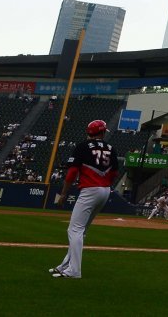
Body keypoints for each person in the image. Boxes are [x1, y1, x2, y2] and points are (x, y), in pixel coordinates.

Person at [48, 119, 119, 279]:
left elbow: (72, 172)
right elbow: (114, 173)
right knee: (81, 230)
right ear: (102, 132)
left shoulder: (82, 146)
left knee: (74, 230)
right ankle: (65, 265)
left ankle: (74, 270)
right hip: (105, 190)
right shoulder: (110, 148)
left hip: (90, 189)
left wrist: (64, 193)